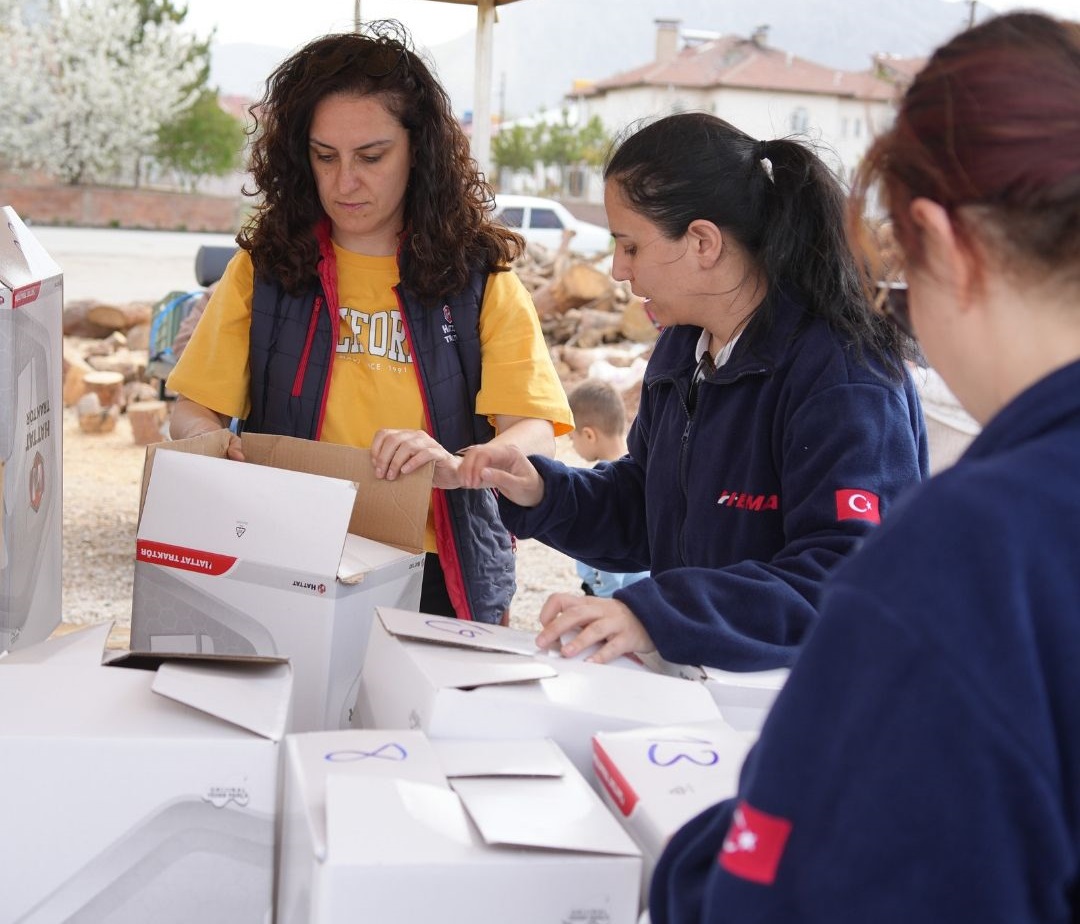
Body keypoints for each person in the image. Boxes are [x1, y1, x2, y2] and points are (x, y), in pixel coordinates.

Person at [649, 11, 1080, 922]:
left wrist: (688, 857)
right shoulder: (681, 352)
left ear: (942, 244)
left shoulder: (973, 553)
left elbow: (786, 889)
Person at [460, 111, 929, 669]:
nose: (618, 270)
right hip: (698, 683)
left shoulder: (843, 376)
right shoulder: (683, 349)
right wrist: (543, 492)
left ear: (703, 241)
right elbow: (650, 506)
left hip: (799, 695)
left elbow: (847, 577)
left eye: (631, 247)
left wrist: (656, 615)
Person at [166, 23, 573, 625]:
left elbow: (534, 430)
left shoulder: (479, 279)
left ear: (420, 151)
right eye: (324, 156)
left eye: (371, 157)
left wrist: (464, 462)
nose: (344, 182)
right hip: (287, 556)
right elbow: (190, 410)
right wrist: (214, 446)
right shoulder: (263, 270)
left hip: (439, 571)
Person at [565, 378, 648, 597]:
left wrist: (602, 602)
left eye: (572, 438)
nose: (572, 445)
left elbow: (605, 555)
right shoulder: (638, 475)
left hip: (614, 596)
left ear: (589, 435)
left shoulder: (602, 488)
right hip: (641, 591)